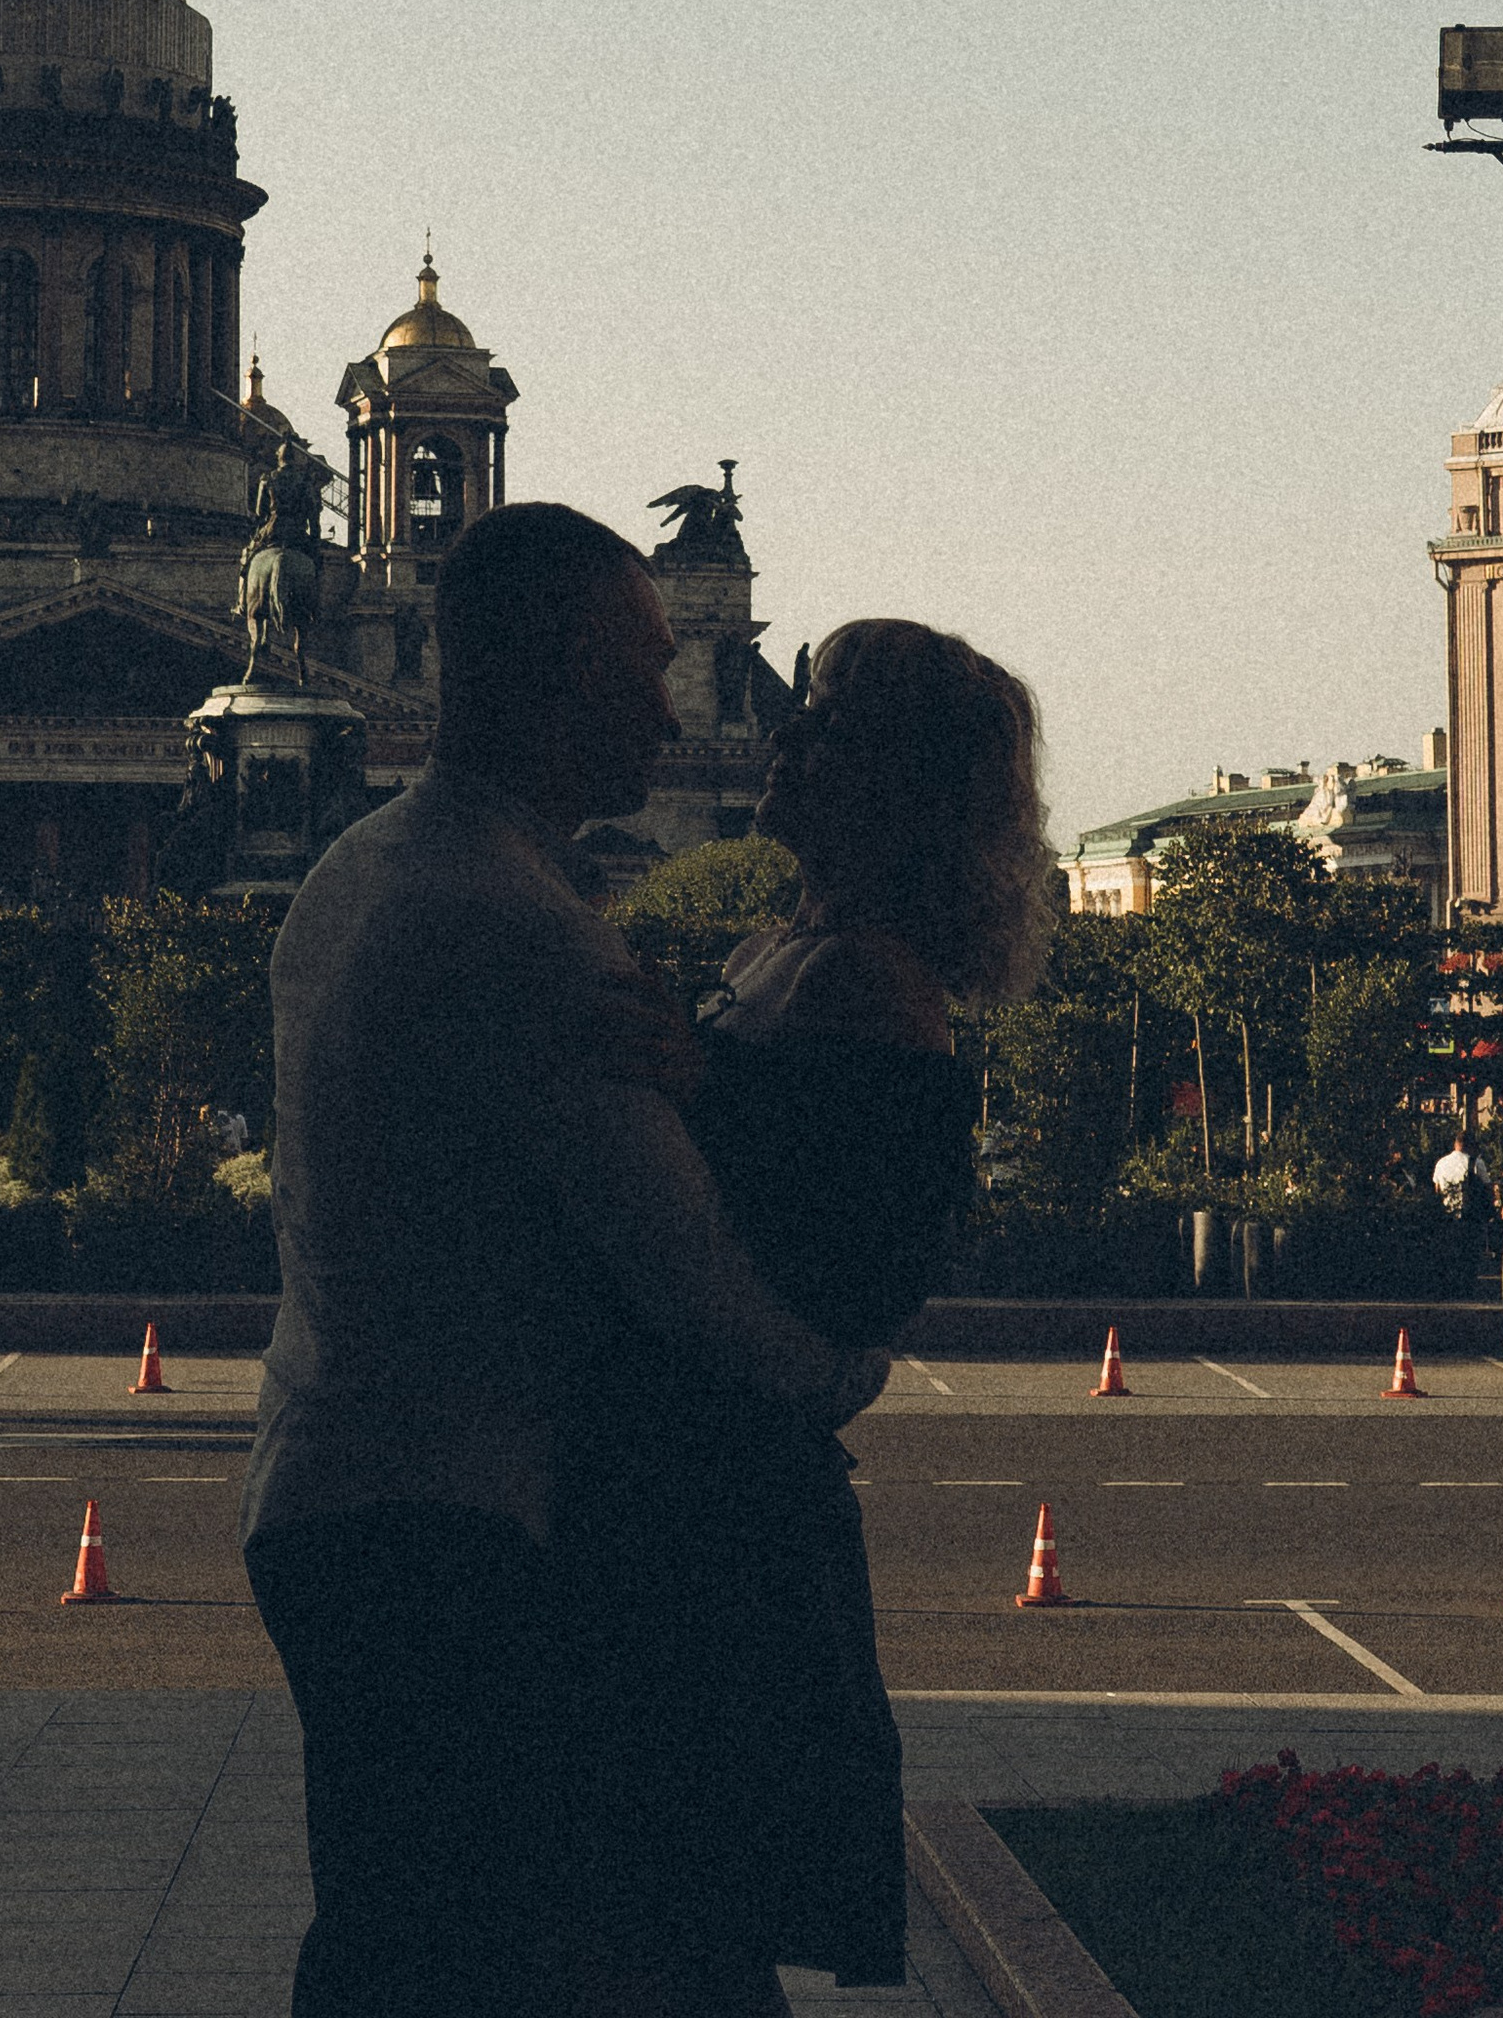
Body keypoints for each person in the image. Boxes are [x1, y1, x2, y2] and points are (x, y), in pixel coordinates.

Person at [238, 500, 887, 2018]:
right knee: (476, 1952)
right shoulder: (522, 927)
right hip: (456, 1524)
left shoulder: (365, 864)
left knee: (399, 1941)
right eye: (647, 664)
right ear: (553, 672)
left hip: (328, 1480)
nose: (676, 707)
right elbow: (697, 1282)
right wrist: (845, 1368)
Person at [556, 616, 1052, 2015]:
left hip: (723, 1521)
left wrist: (700, 1090)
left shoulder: (871, 984)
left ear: (894, 783)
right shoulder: (797, 944)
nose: (785, 735)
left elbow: (853, 1271)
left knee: (678, 1933)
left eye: (826, 724)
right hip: (701, 1495)